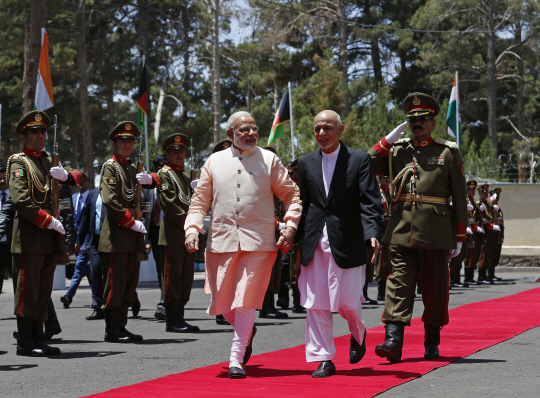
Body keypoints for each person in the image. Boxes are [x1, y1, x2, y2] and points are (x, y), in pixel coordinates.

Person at [184, 111, 301, 378]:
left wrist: (291, 225)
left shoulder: (269, 159)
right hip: (221, 240)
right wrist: (192, 227)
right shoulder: (213, 162)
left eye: (254, 128)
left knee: (246, 300)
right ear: (230, 135)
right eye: (243, 130)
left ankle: (236, 359)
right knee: (222, 304)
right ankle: (247, 331)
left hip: (259, 242)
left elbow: (292, 195)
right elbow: (199, 201)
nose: (250, 134)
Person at [368, 93, 467, 363]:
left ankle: (432, 340)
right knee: (398, 284)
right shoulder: (397, 150)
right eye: (412, 120)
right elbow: (367, 163)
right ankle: (393, 341)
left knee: (435, 288)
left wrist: (460, 234)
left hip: (436, 231)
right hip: (401, 229)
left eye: (422, 119)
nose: (417, 123)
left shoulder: (447, 151)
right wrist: (387, 140)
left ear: (433, 122)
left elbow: (459, 196)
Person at [296, 110, 381, 378]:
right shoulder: (305, 162)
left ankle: (359, 331)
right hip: (314, 242)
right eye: (317, 128)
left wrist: (372, 233)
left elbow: (370, 201)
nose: (322, 133)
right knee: (316, 302)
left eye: (327, 128)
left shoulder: (359, 159)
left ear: (340, 129)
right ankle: (324, 358)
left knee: (347, 303)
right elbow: (304, 204)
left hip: (348, 241)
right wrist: (291, 235)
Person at [8, 110, 87, 357]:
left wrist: (66, 176)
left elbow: (82, 178)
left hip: (48, 238)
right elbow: (21, 200)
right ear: (24, 136)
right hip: (30, 237)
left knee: (43, 291)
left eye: (43, 131)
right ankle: (25, 341)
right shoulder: (18, 162)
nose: (40, 135)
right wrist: (49, 221)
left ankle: (39, 337)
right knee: (27, 290)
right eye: (35, 131)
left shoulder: (50, 161)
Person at [137, 133, 200, 333]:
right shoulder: (165, 173)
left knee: (186, 278)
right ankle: (173, 320)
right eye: (175, 151)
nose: (179, 154)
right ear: (168, 153)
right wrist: (191, 225)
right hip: (174, 234)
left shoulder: (183, 175)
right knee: (173, 279)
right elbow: (170, 205)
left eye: (182, 151)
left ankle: (180, 316)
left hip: (187, 234)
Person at [99, 121, 147, 343]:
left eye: (130, 141)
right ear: (114, 143)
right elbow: (110, 200)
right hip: (117, 234)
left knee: (129, 283)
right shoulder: (111, 166)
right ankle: (112, 329)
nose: (127, 145)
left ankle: (122, 325)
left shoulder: (130, 168)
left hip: (131, 233)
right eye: (122, 141)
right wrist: (131, 222)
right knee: (115, 284)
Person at [259, 146, 288, 319]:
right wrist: (277, 223)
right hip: (264, 232)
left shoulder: (276, 180)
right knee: (266, 270)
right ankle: (265, 306)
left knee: (275, 269)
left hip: (275, 231)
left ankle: (270, 304)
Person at [277, 159, 305, 314]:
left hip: (299, 233)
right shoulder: (280, 187)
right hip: (282, 230)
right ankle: (283, 297)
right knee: (283, 267)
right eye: (288, 171)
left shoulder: (302, 188)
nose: (291, 175)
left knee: (298, 268)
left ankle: (298, 301)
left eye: (293, 172)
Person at [143, 154, 167, 320]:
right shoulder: (149, 188)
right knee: (161, 270)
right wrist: (148, 240)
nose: (162, 168)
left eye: (165, 165)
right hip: (157, 232)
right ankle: (164, 301)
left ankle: (169, 302)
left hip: (173, 231)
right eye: (159, 165)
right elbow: (147, 216)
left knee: (172, 269)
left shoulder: (176, 182)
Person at [61, 176, 91, 308]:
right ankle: (98, 298)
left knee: (81, 269)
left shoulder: (93, 197)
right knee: (87, 270)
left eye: (83, 180)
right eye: (79, 181)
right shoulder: (73, 198)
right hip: (77, 241)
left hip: (89, 240)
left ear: (89, 182)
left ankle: (69, 295)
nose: (80, 183)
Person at [76, 188, 105, 320]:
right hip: (96, 240)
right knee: (95, 271)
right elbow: (86, 217)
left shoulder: (118, 191)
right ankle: (98, 307)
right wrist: (80, 241)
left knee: (116, 273)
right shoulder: (93, 194)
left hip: (113, 240)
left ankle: (130, 298)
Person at [476, 184, 501, 284]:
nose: (486, 193)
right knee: (483, 254)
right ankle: (481, 276)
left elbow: (493, 218)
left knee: (488, 255)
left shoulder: (489, 205)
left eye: (487, 192)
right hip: (485, 233)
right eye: (484, 192)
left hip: (491, 234)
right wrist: (491, 226)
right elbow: (482, 219)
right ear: (480, 193)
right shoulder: (479, 204)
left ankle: (485, 275)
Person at [375, 175, 392, 301]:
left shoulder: (392, 192)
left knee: (392, 261)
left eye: (389, 177)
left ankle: (390, 290)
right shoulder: (376, 192)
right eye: (384, 177)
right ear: (379, 178)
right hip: (381, 231)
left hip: (392, 231)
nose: (387, 179)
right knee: (382, 262)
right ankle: (381, 292)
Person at [463, 180, 484, 285]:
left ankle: (471, 277)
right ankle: (467, 278)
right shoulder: (466, 202)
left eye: (473, 189)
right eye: (470, 189)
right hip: (469, 233)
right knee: (469, 256)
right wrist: (474, 227)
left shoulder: (473, 202)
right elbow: (469, 218)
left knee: (474, 255)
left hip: (475, 233)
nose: (472, 191)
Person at [0, 166, 12, 294]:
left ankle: (21, 313)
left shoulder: (16, 197)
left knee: (18, 282)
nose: (2, 181)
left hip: (13, 246)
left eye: (5, 178)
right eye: (0, 179)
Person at [490, 187, 504, 281]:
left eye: (498, 195)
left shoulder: (497, 207)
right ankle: (489, 274)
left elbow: (500, 221)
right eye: (496, 195)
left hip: (499, 233)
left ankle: (492, 273)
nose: (497, 197)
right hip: (493, 234)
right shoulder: (490, 206)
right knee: (491, 255)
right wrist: (491, 203)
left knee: (495, 255)